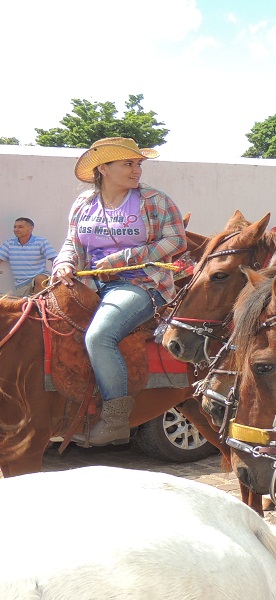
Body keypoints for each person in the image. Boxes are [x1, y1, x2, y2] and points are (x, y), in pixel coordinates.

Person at [52, 137, 186, 446]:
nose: (137, 169)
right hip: (88, 283)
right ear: (104, 168)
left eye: (138, 163)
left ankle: (114, 420)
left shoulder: (154, 199)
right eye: (128, 163)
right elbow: (72, 242)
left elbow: (176, 241)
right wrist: (64, 263)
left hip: (140, 283)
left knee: (100, 336)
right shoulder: (84, 203)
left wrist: (124, 259)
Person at [0, 217, 57, 297]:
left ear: (31, 229)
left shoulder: (41, 241)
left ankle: (38, 305)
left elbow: (54, 259)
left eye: (20, 227)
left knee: (40, 279)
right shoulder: (9, 243)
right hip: (21, 284)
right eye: (15, 227)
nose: (16, 229)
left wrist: (59, 272)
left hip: (39, 278)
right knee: (24, 305)